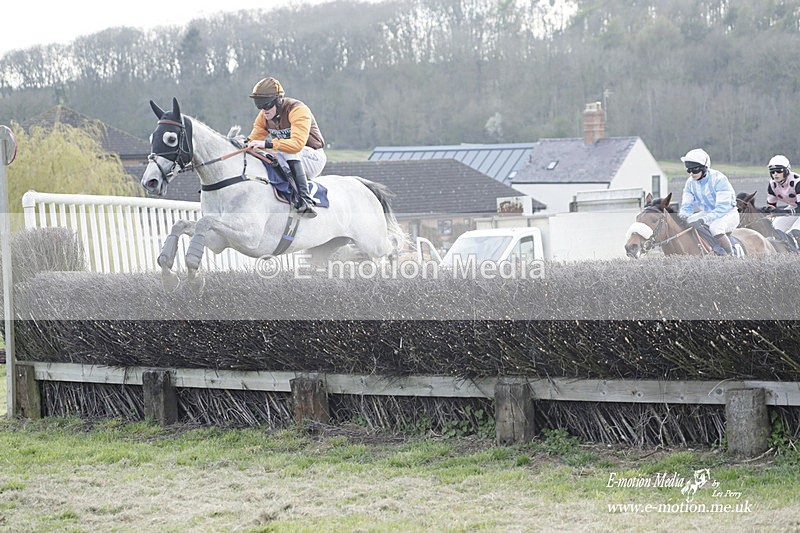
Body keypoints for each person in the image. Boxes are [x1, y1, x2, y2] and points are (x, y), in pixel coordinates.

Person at [245, 77, 326, 218]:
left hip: (313, 157)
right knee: (265, 156)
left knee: (286, 152)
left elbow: (296, 145)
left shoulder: (298, 110)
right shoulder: (264, 116)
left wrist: (267, 144)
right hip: (289, 156)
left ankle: (305, 201)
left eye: (267, 106)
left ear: (278, 100)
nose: (264, 111)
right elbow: (252, 140)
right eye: (260, 106)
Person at [677, 148, 739, 255]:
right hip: (707, 213)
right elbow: (687, 206)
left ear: (704, 168)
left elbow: (722, 209)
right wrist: (683, 216)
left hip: (727, 213)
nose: (691, 173)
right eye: (689, 170)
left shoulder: (719, 179)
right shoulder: (690, 183)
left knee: (716, 227)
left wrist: (704, 219)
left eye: (695, 170)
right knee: (686, 223)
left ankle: (731, 256)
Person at [764, 155, 800, 247]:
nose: (775, 174)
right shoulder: (772, 184)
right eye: (772, 171)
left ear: (787, 171)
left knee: (795, 233)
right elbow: (771, 207)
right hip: (794, 206)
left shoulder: (797, 182)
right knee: (775, 229)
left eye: (779, 171)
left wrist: (782, 212)